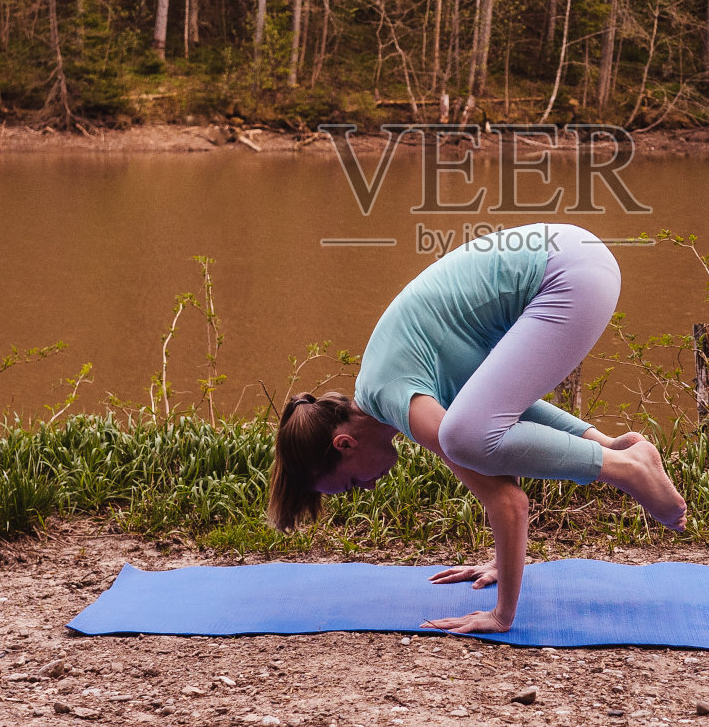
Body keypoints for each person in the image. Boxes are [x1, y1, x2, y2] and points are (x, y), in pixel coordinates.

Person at [267, 221, 687, 635]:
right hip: (575, 254)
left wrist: (502, 616)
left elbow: (506, 499)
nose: (369, 487)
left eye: (353, 482)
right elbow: (510, 417)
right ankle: (622, 454)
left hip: (564, 274)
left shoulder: (393, 395)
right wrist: (602, 443)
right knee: (471, 432)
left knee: (463, 438)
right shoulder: (393, 384)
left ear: (344, 443)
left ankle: (629, 469)